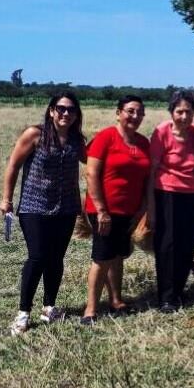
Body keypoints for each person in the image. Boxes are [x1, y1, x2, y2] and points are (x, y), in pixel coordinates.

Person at [0, 92, 86, 336]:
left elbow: (94, 163)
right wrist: (6, 199)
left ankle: (49, 307)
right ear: (51, 111)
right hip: (34, 206)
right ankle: (23, 313)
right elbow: (14, 166)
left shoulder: (76, 140)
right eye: (61, 108)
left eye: (71, 110)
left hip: (66, 207)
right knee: (37, 257)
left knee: (56, 258)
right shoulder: (34, 135)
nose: (66, 113)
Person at [81, 95, 151, 324]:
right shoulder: (105, 137)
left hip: (129, 212)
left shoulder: (143, 143)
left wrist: (142, 208)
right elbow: (91, 174)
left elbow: (147, 178)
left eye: (139, 112)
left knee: (118, 255)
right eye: (130, 111)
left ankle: (116, 300)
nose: (135, 116)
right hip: (104, 210)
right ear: (118, 113)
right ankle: (90, 310)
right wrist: (101, 210)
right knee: (102, 258)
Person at [147, 91, 194, 313]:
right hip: (167, 194)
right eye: (179, 111)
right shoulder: (162, 132)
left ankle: (180, 291)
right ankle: (166, 297)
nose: (183, 116)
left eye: (188, 112)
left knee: (187, 244)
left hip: (191, 195)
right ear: (171, 112)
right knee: (167, 246)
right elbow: (151, 172)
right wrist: (151, 206)